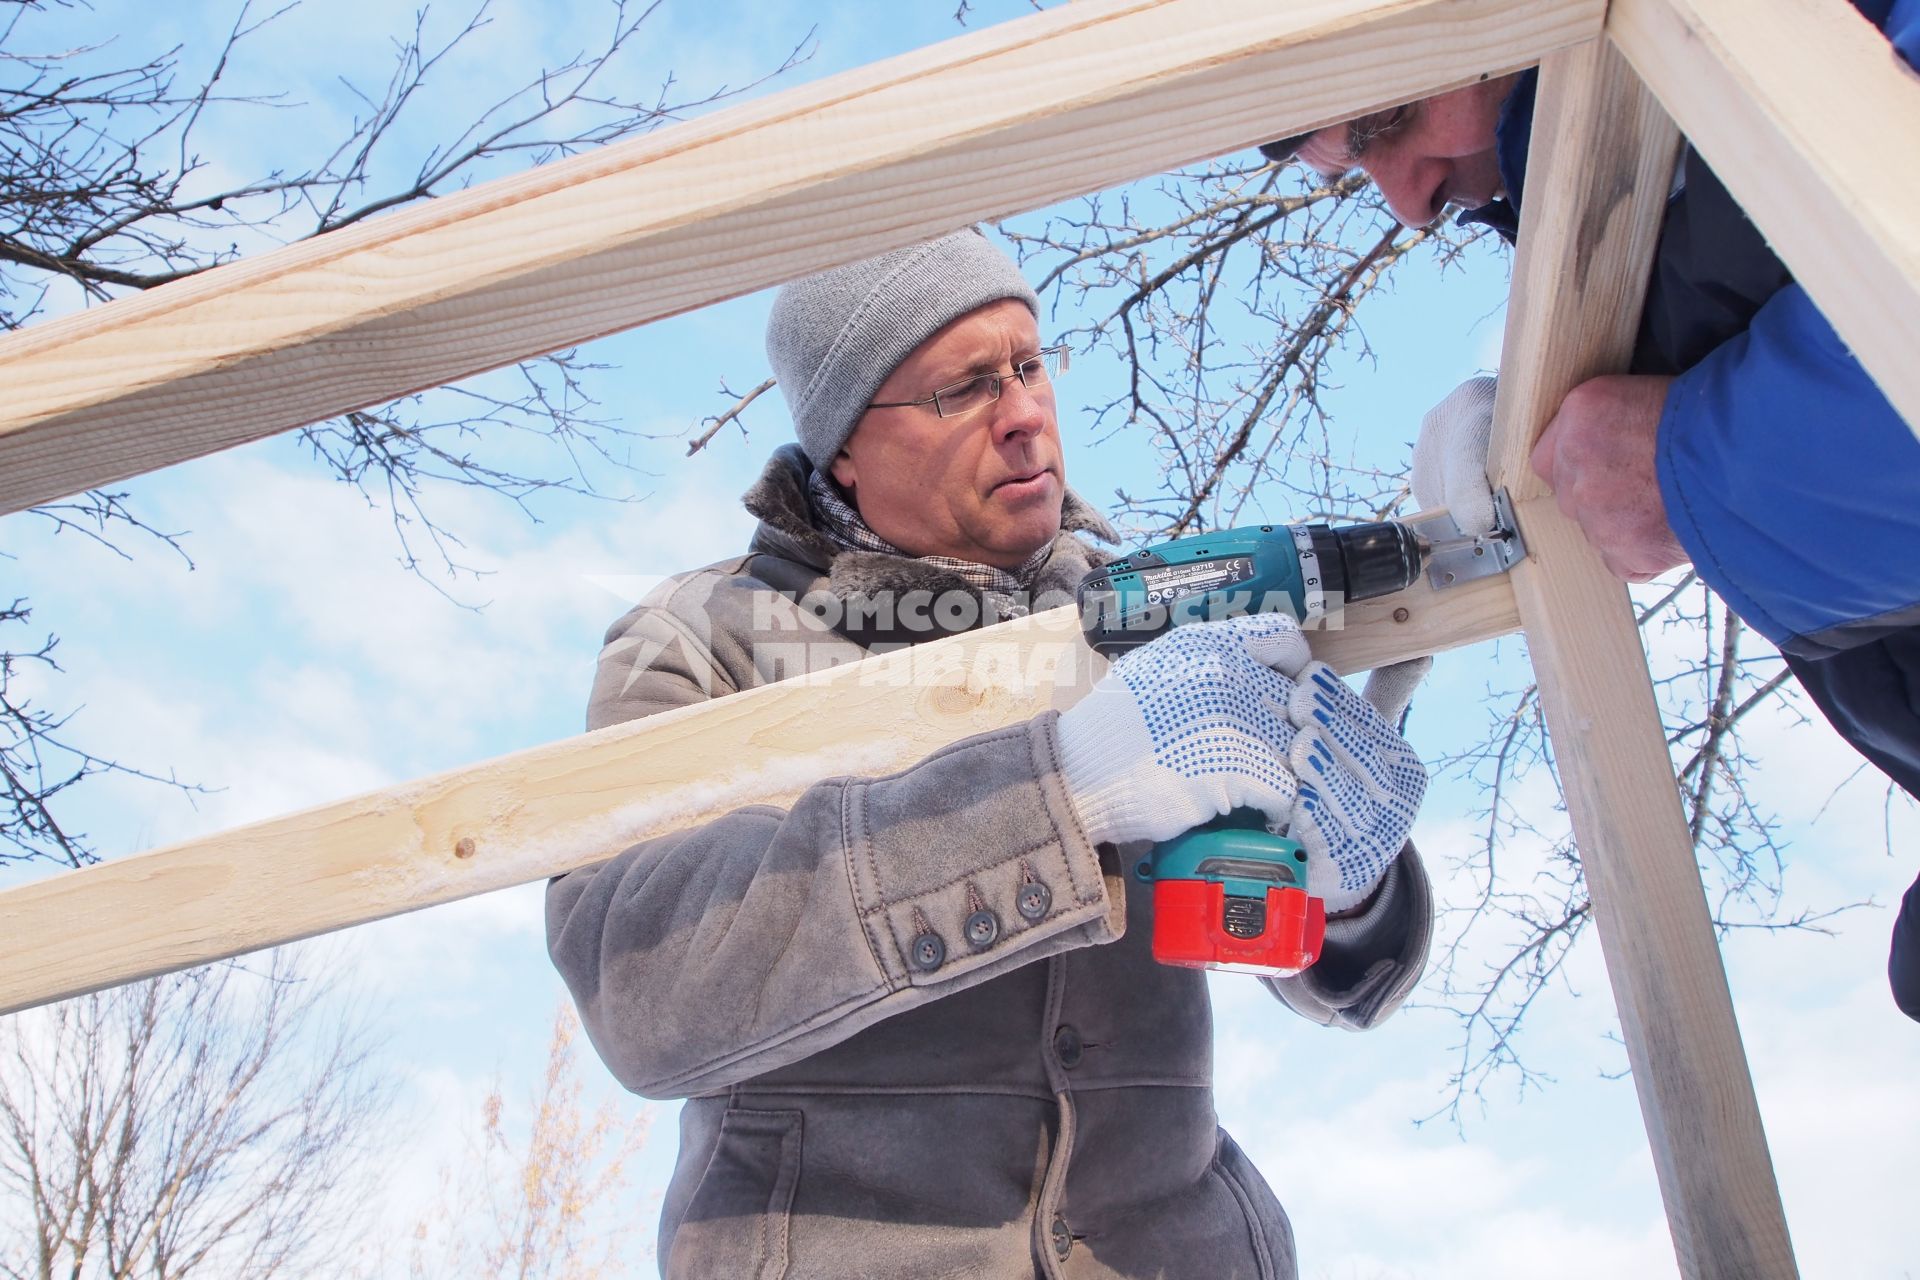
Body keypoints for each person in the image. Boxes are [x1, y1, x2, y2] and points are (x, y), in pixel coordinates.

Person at [547, 228, 1436, 1278]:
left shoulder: (1147, 618)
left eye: (1027, 364)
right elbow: (637, 982)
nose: (1023, 413)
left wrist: (1348, 892)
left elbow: (1340, 986)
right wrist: (1066, 791)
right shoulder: (704, 640)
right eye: (962, 388)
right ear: (843, 445)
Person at [1260, 0, 1920, 1020]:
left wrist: (1693, 464)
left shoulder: (1795, 41)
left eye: (1388, 115)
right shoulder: (1665, 176)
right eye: (1349, 166)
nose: (1408, 204)